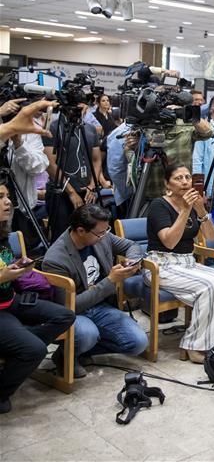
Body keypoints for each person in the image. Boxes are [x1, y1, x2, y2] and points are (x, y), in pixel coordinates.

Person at [145, 163, 214, 363]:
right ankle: (193, 345)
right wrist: (186, 210)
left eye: (188, 177)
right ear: (167, 184)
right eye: (179, 178)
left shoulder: (193, 205)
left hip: (188, 262)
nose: (185, 182)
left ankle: (212, 342)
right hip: (162, 264)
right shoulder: (158, 205)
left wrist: (201, 209)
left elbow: (211, 236)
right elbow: (169, 242)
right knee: (210, 287)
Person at [42, 204, 149, 378]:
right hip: (75, 313)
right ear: (81, 231)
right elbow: (68, 307)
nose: (104, 236)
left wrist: (132, 261)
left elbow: (132, 245)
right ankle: (65, 355)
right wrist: (110, 281)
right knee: (87, 334)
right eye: (100, 233)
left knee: (137, 343)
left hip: (102, 307)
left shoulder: (101, 236)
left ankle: (81, 351)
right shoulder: (56, 259)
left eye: (106, 231)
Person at [0, 179, 76, 415]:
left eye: (6, 195)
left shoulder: (3, 231)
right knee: (35, 350)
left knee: (65, 316)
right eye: (1, 197)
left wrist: (18, 269)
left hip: (11, 300)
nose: (7, 202)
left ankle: (19, 348)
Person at [42, 106, 109, 242]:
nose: (79, 108)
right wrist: (72, 193)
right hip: (61, 192)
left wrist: (92, 185)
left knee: (91, 236)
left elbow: (96, 160)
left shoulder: (89, 129)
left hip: (87, 192)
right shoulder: (53, 128)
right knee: (62, 238)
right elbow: (50, 163)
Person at [1, 98, 49, 253]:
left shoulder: (29, 131)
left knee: (22, 253)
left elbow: (39, 167)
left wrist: (19, 144)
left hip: (22, 207)